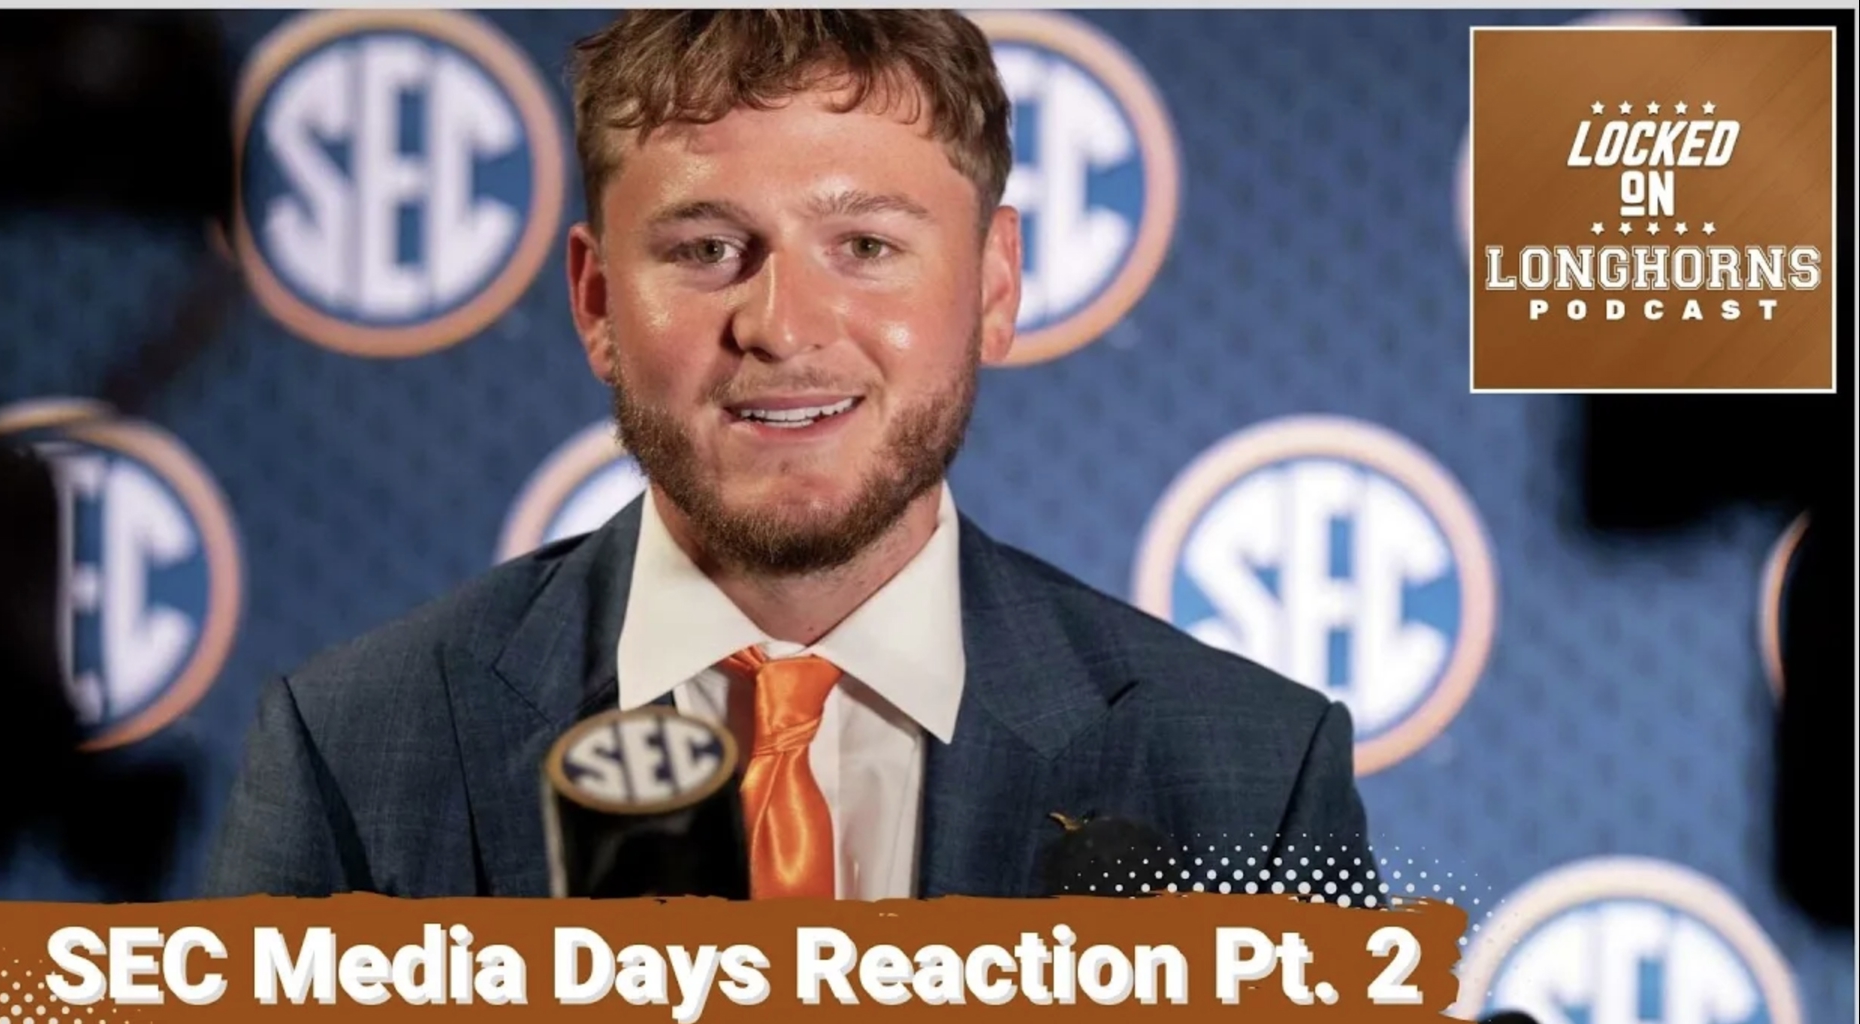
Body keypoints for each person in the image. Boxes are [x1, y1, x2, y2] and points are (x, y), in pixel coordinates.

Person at [206, 10, 1371, 901]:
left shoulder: (1248, 782)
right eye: (709, 247)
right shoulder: (354, 747)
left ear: (997, 286)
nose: (782, 323)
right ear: (598, 302)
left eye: (865, 244)